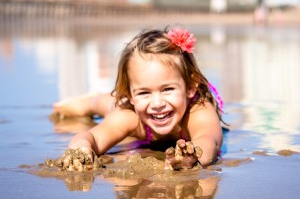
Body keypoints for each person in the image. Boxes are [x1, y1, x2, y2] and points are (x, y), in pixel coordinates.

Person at [53, 26, 224, 171]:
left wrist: (193, 155)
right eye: (144, 92)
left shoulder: (198, 111)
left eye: (168, 89)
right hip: (123, 107)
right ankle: (90, 100)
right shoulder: (129, 115)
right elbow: (93, 137)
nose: (157, 104)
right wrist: (81, 148)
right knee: (105, 104)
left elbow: (209, 140)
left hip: (154, 108)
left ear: (190, 87)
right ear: (130, 95)